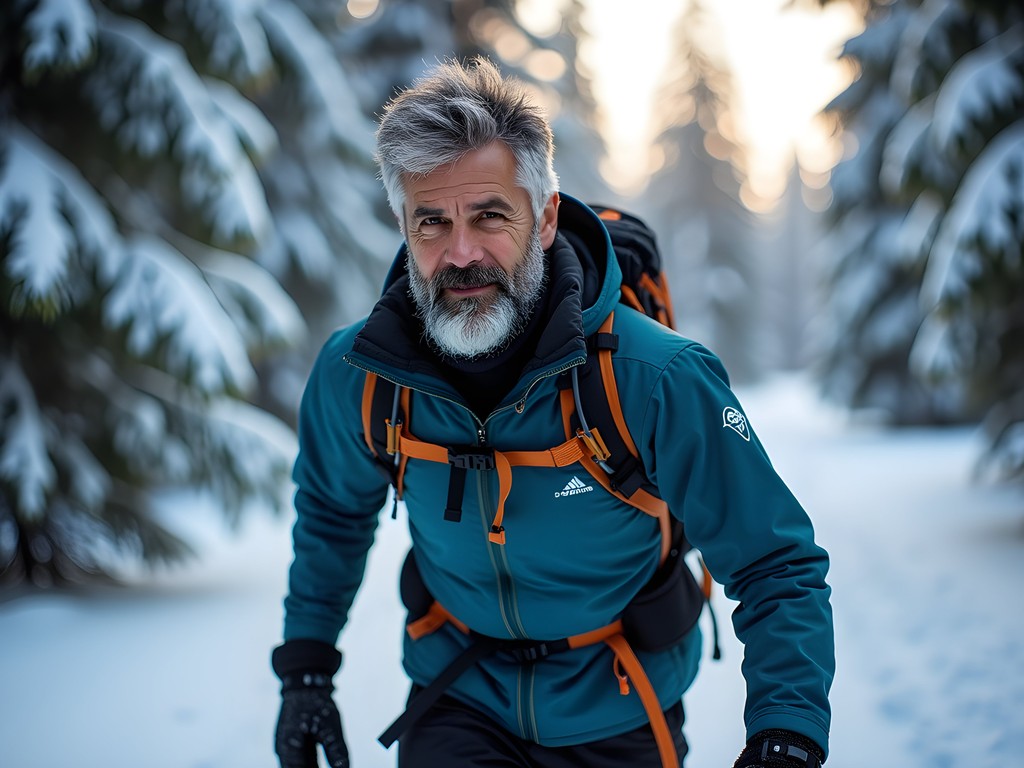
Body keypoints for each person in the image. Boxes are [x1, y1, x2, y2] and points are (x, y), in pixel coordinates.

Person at [271, 57, 834, 768]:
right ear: (403, 226)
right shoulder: (360, 376)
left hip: (619, 701)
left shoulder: (653, 378)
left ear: (542, 219)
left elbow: (773, 561)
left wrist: (786, 732)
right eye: (432, 222)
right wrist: (306, 670)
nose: (460, 253)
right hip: (458, 697)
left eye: (489, 216)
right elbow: (332, 515)